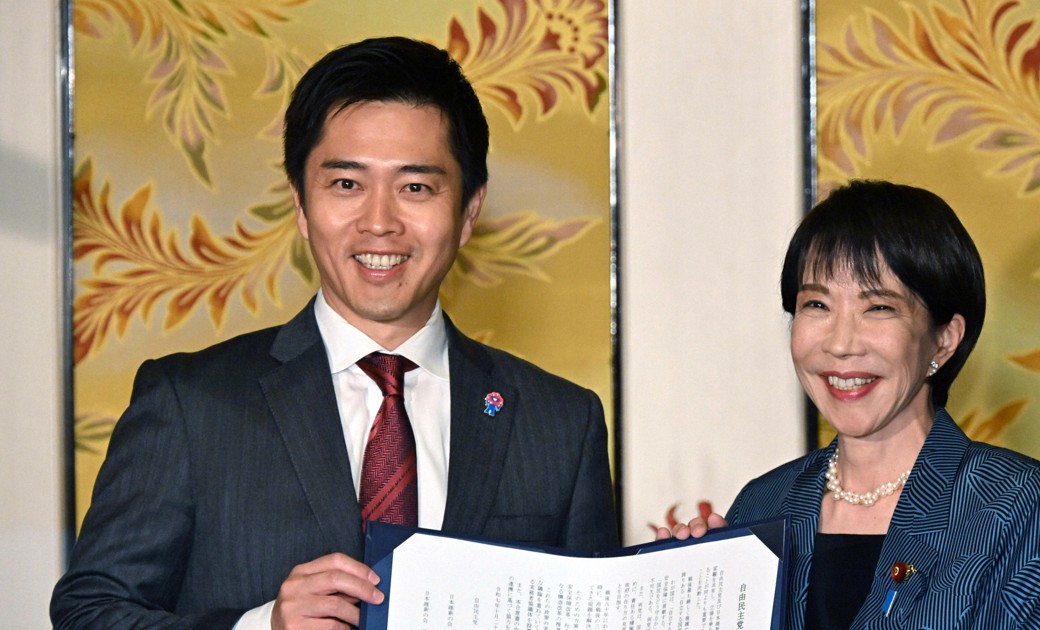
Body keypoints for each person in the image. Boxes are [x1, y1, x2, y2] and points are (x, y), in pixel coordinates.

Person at [51, 36, 618, 629]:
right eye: (347, 184)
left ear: (469, 210)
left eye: (416, 187)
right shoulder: (190, 403)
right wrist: (259, 627)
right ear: (300, 203)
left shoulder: (560, 423)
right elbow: (89, 614)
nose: (380, 222)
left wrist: (677, 579)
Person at [660, 180, 1040, 628]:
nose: (841, 344)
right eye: (817, 304)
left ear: (944, 339)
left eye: (879, 308)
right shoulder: (762, 505)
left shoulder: (1018, 504)